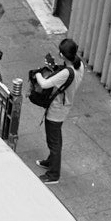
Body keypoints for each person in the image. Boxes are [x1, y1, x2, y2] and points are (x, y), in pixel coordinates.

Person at [33, 36, 83, 184]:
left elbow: (44, 84)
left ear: (62, 55)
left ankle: (53, 174)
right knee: (56, 137)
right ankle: (50, 161)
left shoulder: (67, 72)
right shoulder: (79, 65)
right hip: (65, 105)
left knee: (53, 141)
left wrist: (37, 73)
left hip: (57, 109)